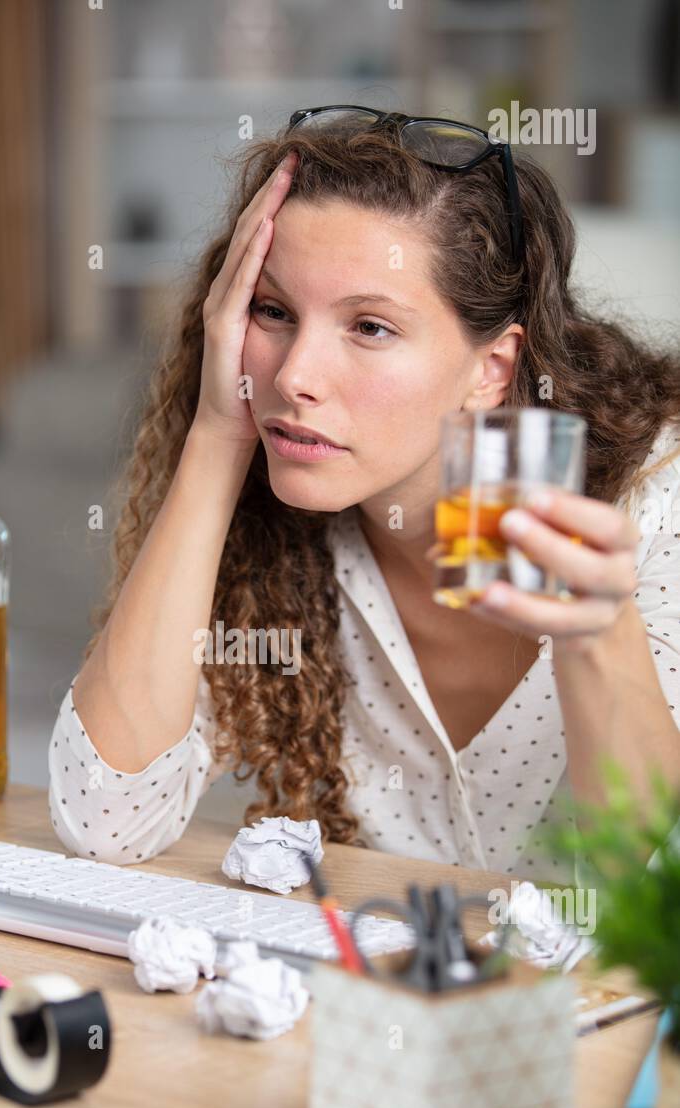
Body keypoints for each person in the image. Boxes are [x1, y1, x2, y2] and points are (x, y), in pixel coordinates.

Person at [48, 110, 680, 880]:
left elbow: (650, 894)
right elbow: (104, 819)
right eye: (273, 312)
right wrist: (218, 433)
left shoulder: (655, 504)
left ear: (493, 367)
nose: (294, 376)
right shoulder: (276, 534)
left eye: (370, 327)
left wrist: (598, 631)